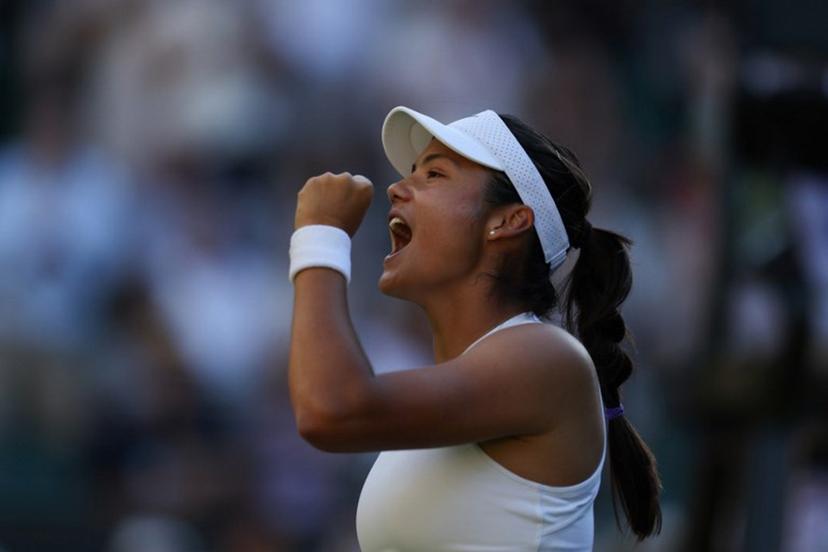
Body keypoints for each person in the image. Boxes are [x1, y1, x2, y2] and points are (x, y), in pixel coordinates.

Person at [288, 106, 661, 550]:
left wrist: (320, 235)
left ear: (508, 221)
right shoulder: (462, 392)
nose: (396, 188)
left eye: (435, 174)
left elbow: (329, 411)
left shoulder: (546, 359)